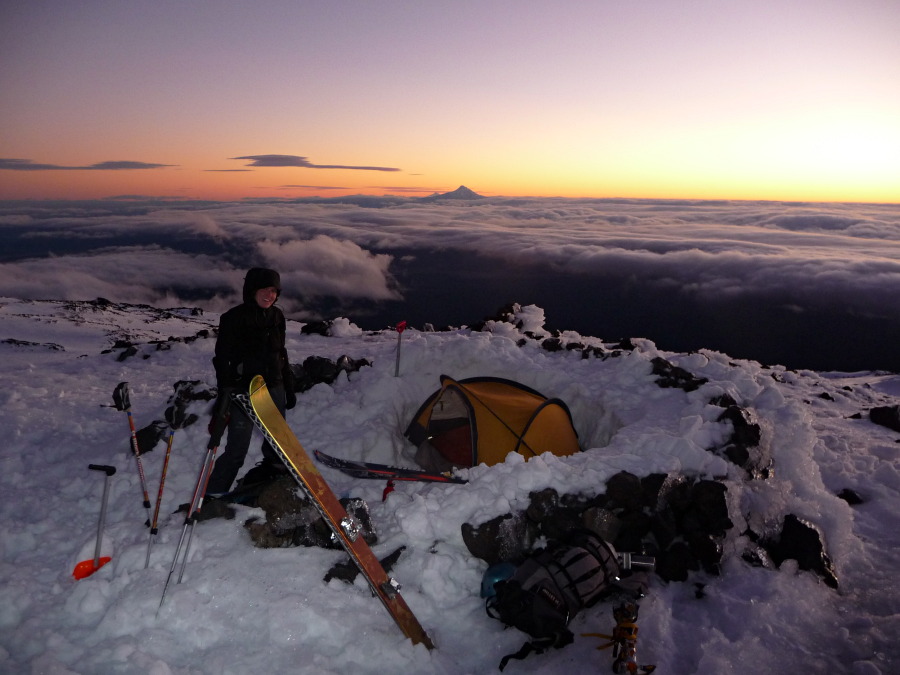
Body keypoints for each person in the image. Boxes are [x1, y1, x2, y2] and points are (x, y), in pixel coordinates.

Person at [205, 267, 297, 497]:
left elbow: (281, 353)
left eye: (274, 291)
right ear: (252, 290)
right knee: (237, 449)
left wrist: (288, 385)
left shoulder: (277, 317)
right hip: (243, 391)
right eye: (265, 289)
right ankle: (214, 495)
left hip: (274, 386)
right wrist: (226, 391)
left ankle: (271, 478)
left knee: (277, 444)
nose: (270, 295)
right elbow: (222, 359)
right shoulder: (233, 318)